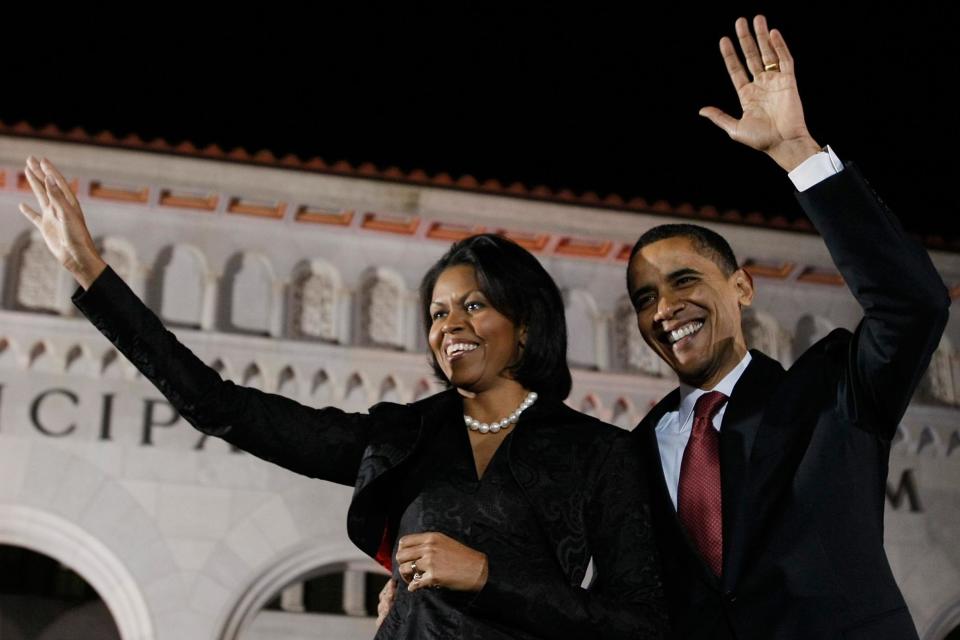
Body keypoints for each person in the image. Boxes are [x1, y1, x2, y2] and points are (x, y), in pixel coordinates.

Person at [17, 167, 668, 639]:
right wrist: (93, 277)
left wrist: (485, 576)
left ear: (525, 323)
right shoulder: (403, 437)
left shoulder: (599, 453)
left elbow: (639, 625)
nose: (450, 325)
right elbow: (222, 407)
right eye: (438, 312)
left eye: (473, 305)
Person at [627, 15, 949, 640]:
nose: (664, 307)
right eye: (644, 297)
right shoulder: (629, 455)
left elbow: (914, 304)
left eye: (684, 281)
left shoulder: (835, 394)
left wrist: (795, 152)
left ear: (742, 287)